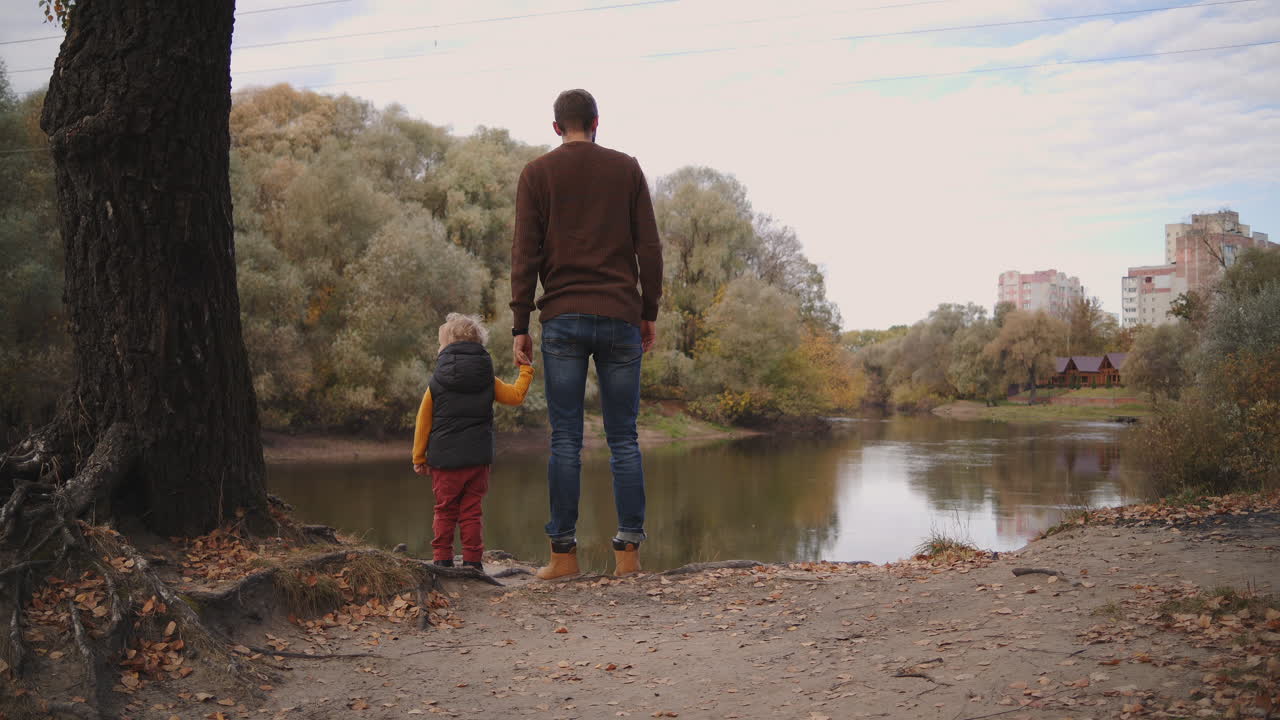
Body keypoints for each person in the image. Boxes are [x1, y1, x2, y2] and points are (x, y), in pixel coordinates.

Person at [509, 88, 663, 579]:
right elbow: (650, 248)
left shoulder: (537, 174)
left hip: (562, 318)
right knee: (623, 437)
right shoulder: (627, 168)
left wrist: (519, 322)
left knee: (566, 441)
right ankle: (628, 556)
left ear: (556, 127)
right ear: (597, 121)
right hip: (620, 315)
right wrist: (649, 310)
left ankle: (563, 558)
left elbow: (524, 254)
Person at [412, 313, 534, 570]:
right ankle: (473, 562)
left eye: (439, 343)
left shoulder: (437, 382)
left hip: (444, 460)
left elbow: (423, 422)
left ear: (447, 346)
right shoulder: (487, 379)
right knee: (471, 511)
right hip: (477, 460)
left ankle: (442, 560)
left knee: (445, 510)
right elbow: (515, 396)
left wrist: (419, 457)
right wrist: (526, 370)